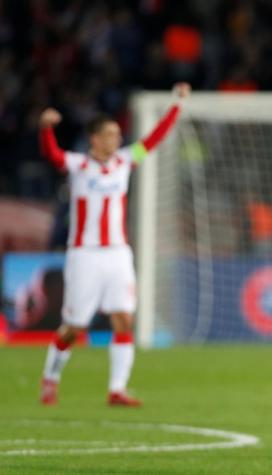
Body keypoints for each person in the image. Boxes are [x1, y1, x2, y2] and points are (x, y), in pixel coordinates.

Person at [37, 82, 190, 407]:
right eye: (110, 135)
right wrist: (46, 129)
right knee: (74, 327)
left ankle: (117, 389)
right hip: (85, 255)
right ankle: (51, 378)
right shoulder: (79, 165)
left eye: (118, 134)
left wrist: (176, 105)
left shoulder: (124, 161)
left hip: (118, 253)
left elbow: (154, 139)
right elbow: (52, 155)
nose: (117, 139)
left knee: (124, 320)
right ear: (94, 138)